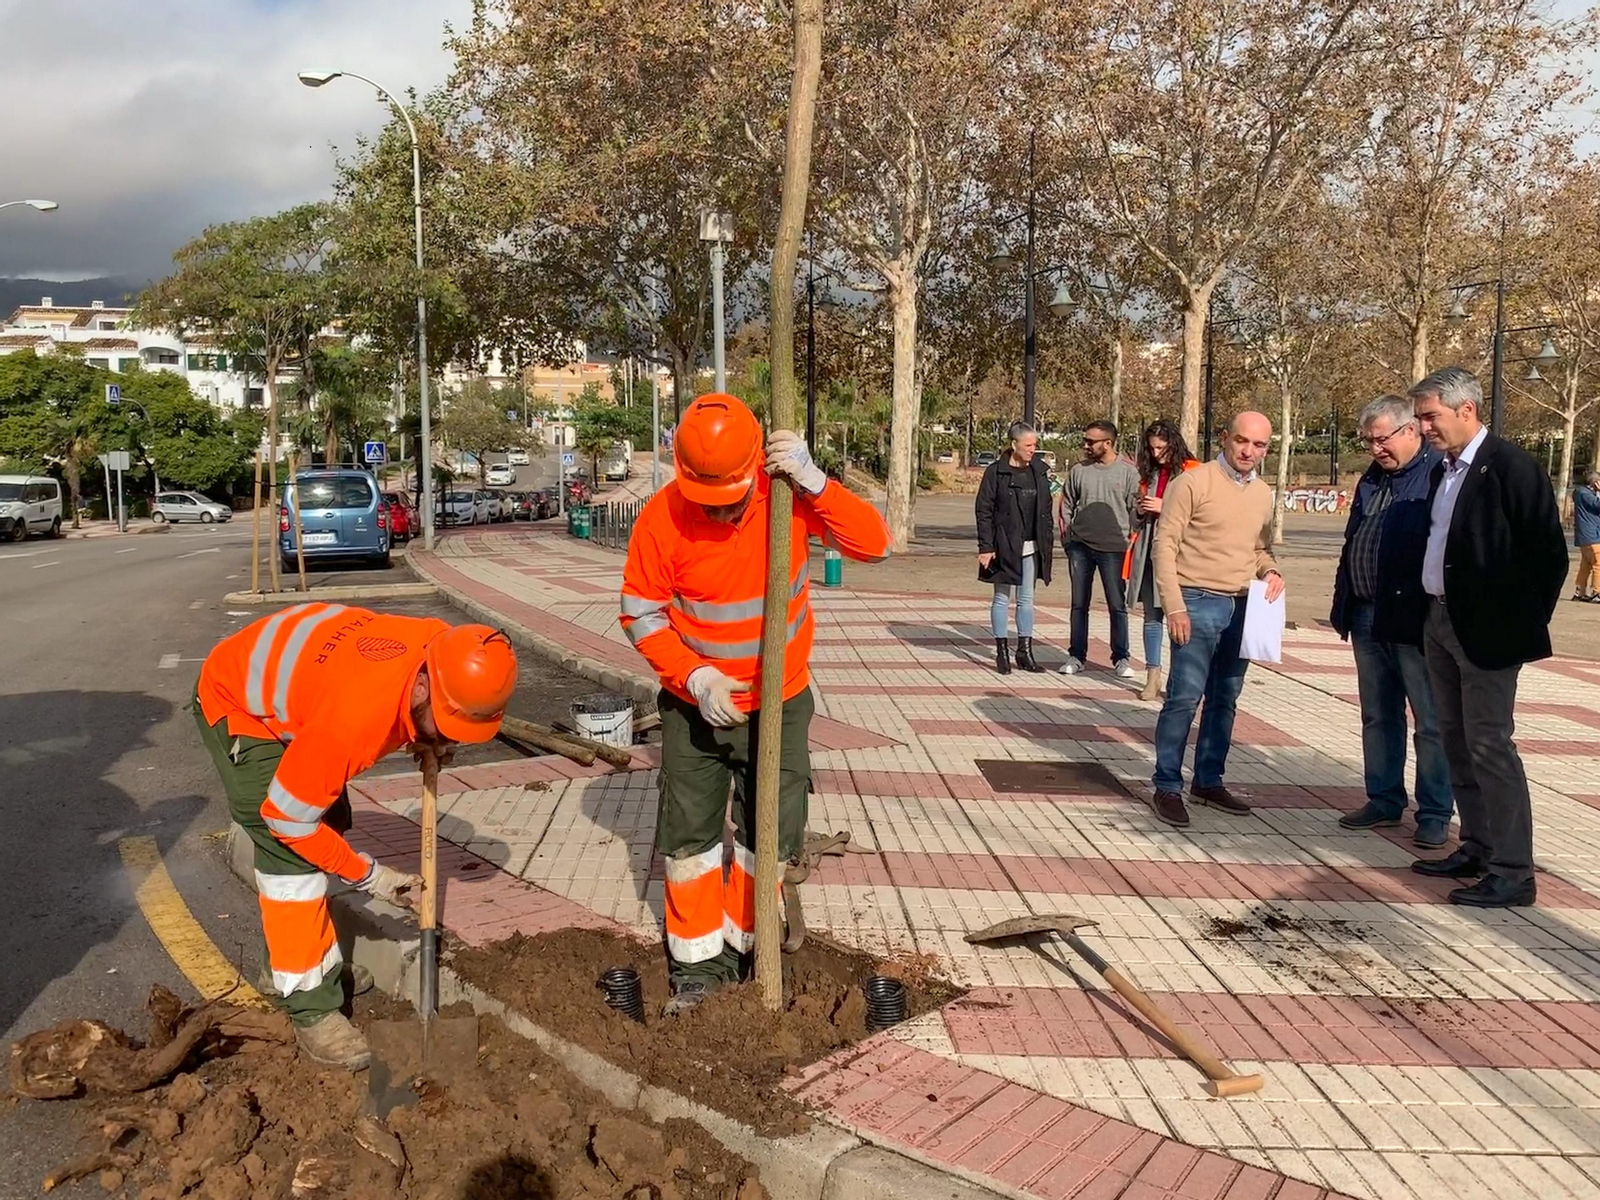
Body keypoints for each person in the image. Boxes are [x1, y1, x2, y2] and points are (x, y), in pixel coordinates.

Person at [619, 394, 891, 1013]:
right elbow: (641, 612)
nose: (718, 510)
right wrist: (694, 677)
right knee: (688, 839)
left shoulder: (787, 499)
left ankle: (750, 947)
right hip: (695, 710)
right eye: (705, 497)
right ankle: (696, 972)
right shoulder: (662, 518)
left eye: (730, 495)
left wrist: (817, 481)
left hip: (782, 701)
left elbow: (875, 545)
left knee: (770, 831)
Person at [194, 607, 517, 1069]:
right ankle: (310, 1006)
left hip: (306, 690)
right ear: (423, 687)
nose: (452, 741)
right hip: (238, 703)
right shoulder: (352, 722)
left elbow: (413, 708)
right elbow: (286, 821)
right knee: (294, 861)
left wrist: (427, 737)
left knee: (330, 820)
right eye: (446, 726)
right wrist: (373, 877)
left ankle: (294, 966)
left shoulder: (452, 649)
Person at [1411, 367, 1568, 907]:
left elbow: (1548, 556)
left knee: (1489, 745)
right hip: (1439, 622)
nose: (1424, 428)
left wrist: (1514, 624)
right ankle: (1476, 845)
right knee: (1454, 740)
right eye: (1420, 418)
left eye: (1430, 417)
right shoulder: (1442, 471)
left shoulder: (1512, 467)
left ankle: (1514, 871)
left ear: (1467, 410)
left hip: (1487, 635)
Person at [1147, 412, 1284, 828]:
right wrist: (1173, 606)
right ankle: (1167, 784)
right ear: (1224, 438)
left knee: (1224, 699)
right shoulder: (1193, 482)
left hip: (1243, 606)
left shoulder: (1263, 493)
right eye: (1242, 441)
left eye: (1259, 445)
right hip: (1195, 600)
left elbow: (1258, 549)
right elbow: (1164, 545)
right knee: (1184, 698)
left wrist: (1270, 571)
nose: (1249, 451)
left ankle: (1208, 780)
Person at [1328, 394, 1453, 847]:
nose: (1376, 448)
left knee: (1431, 720)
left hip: (1413, 618)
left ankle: (1436, 812)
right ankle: (1383, 799)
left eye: (1382, 439)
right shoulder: (1372, 478)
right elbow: (1355, 538)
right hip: (1365, 612)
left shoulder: (1438, 474)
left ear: (1411, 431)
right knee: (1378, 714)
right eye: (1369, 441)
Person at [1058, 420, 1140, 677]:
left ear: (1108, 443)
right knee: (1078, 604)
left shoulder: (1129, 472)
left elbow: (1136, 510)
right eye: (1085, 440)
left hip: (1114, 549)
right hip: (1080, 547)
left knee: (1117, 604)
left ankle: (1121, 658)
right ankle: (1076, 656)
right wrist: (1068, 539)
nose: (1086, 445)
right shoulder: (1079, 470)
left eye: (1091, 441)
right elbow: (1066, 504)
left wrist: (1132, 540)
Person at [1124, 420, 1199, 701]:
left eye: (1161, 447)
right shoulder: (1148, 474)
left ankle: (1178, 679)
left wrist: (1164, 506)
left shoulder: (1193, 471)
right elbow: (1133, 517)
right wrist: (1142, 509)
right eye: (1152, 448)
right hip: (1148, 550)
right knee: (1151, 615)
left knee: (1178, 616)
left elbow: (1201, 515)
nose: (1156, 453)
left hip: (1180, 554)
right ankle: (1152, 676)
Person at [975, 421, 1055, 674]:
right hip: (1003, 545)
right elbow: (984, 510)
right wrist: (986, 546)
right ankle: (1001, 651)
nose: (1033, 450)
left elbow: (1046, 508)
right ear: (1014, 445)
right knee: (1001, 597)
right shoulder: (995, 472)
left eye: (1035, 445)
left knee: (1027, 600)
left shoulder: (1039, 471)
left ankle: (1025, 651)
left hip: (1033, 544)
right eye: (1028, 445)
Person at [1573, 469, 1600, 602]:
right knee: (1598, 564)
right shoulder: (1585, 494)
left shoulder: (1581, 492)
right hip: (1591, 535)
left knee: (1586, 565)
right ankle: (1597, 591)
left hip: (1586, 535)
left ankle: (1580, 591)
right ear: (1595, 482)